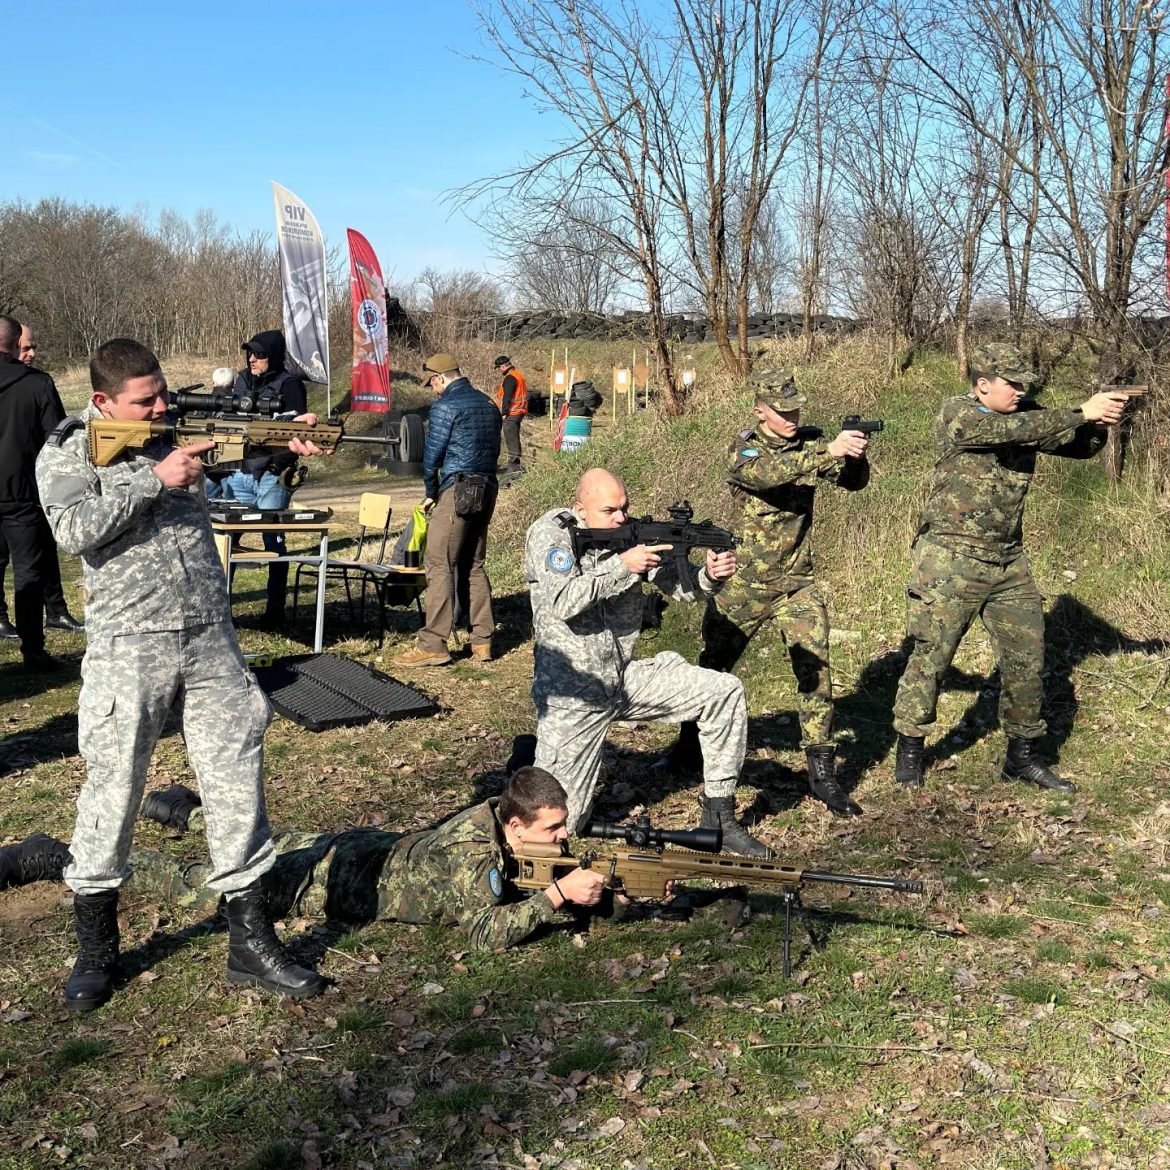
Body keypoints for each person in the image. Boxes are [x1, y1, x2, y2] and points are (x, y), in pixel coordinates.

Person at [34, 338, 326, 1012]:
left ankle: (250, 940)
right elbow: (74, 529)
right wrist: (150, 479)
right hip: (127, 644)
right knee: (113, 785)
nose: (161, 406)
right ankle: (97, 948)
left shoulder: (179, 429)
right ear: (104, 401)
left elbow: (236, 464)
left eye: (162, 393)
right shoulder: (70, 446)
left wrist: (284, 445)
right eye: (145, 401)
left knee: (234, 774)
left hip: (209, 638)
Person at [0, 768, 612, 953]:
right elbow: (484, 932)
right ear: (513, 823)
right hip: (319, 882)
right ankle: (55, 856)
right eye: (554, 830)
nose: (562, 841)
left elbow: (529, 868)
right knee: (195, 883)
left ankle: (185, 811)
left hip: (355, 846)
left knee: (268, 834)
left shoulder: (493, 818)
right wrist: (558, 898)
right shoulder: (469, 854)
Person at [891, 343, 1127, 792]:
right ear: (983, 385)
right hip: (949, 559)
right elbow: (1011, 431)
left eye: (1024, 384)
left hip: (1008, 560)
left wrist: (1099, 425)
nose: (1021, 391)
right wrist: (1080, 409)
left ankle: (1021, 757)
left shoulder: (1028, 414)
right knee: (932, 657)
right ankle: (910, 751)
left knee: (1026, 660)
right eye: (1012, 383)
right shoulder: (959, 414)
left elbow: (1076, 447)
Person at [656, 368, 870, 818]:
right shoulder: (745, 449)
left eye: (796, 409)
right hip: (744, 582)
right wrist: (823, 451)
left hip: (798, 582)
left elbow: (853, 484)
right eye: (782, 410)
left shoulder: (807, 447)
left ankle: (822, 773)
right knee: (714, 665)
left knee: (817, 673)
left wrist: (853, 456)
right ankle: (688, 747)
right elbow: (766, 477)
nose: (792, 417)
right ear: (760, 412)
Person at [525, 467, 771, 857]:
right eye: (609, 510)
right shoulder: (551, 534)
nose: (621, 517)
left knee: (722, 691)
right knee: (560, 826)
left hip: (621, 679)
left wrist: (709, 575)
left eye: (624, 507)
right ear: (580, 509)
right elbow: (563, 602)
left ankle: (719, 817)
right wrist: (622, 565)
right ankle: (528, 763)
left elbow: (680, 586)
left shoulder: (632, 533)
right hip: (572, 694)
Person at [396, 354, 502, 667]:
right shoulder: (487, 403)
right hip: (488, 487)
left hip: (458, 490)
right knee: (473, 564)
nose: (432, 390)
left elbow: (432, 458)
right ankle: (482, 641)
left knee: (438, 562)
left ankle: (433, 644)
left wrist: (431, 491)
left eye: (432, 383)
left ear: (440, 377)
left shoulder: (446, 406)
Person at [217, 331, 309, 630]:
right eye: (250, 355)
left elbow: (299, 432)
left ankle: (274, 611)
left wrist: (275, 463)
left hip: (271, 476)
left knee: (274, 542)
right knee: (227, 542)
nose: (252, 359)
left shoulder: (290, 384)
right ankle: (220, 613)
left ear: (274, 356)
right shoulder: (242, 379)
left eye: (260, 355)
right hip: (241, 473)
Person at [1, 325, 85, 636]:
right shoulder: (38, 384)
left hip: (24, 488)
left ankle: (52, 613)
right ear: (11, 346)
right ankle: (33, 648)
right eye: (25, 348)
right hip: (24, 488)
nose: (31, 354)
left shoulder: (36, 382)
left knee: (30, 560)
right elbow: (59, 436)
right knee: (28, 568)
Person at [494, 355, 527, 472]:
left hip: (512, 413)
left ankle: (514, 467)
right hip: (519, 411)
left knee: (511, 440)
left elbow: (507, 397)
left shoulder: (510, 378)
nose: (499, 371)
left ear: (503, 366)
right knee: (514, 439)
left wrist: (504, 413)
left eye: (499, 368)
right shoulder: (518, 375)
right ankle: (515, 465)